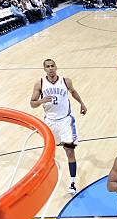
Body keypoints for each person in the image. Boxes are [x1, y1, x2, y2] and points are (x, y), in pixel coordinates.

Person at [30, 59, 87, 194]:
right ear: (44, 69)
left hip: (65, 120)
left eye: (52, 66)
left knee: (69, 151)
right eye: (48, 66)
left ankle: (72, 182)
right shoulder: (40, 83)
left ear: (56, 67)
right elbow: (32, 103)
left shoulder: (65, 81)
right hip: (50, 122)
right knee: (50, 152)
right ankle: (47, 179)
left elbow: (73, 92)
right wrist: (42, 100)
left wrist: (82, 103)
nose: (50, 68)